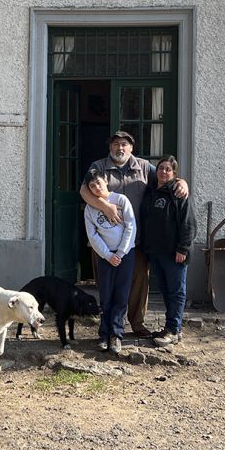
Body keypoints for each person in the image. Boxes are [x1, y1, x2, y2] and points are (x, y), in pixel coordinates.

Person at [80, 130, 188, 339]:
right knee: (107, 285)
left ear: (131, 148)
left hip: (136, 240)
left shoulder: (144, 166)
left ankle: (137, 324)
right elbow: (84, 191)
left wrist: (183, 182)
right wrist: (105, 207)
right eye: (116, 144)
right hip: (104, 241)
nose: (120, 148)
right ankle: (109, 329)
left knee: (139, 284)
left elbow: (167, 176)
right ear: (110, 147)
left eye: (124, 145)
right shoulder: (99, 166)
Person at [140, 156, 197, 347]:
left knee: (176, 291)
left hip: (174, 253)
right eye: (161, 168)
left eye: (168, 169)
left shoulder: (178, 193)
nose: (163, 172)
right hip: (156, 252)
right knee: (165, 291)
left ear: (174, 173)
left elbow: (188, 224)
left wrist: (183, 248)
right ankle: (173, 328)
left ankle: (173, 330)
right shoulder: (151, 192)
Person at [82, 168, 136, 355]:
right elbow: (93, 235)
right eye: (92, 186)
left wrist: (120, 253)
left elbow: (130, 226)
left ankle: (116, 334)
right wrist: (107, 255)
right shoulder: (90, 209)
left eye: (98, 182)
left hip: (125, 255)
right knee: (106, 295)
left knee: (121, 295)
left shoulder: (121, 200)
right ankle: (103, 334)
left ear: (105, 180)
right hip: (105, 257)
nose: (96, 187)